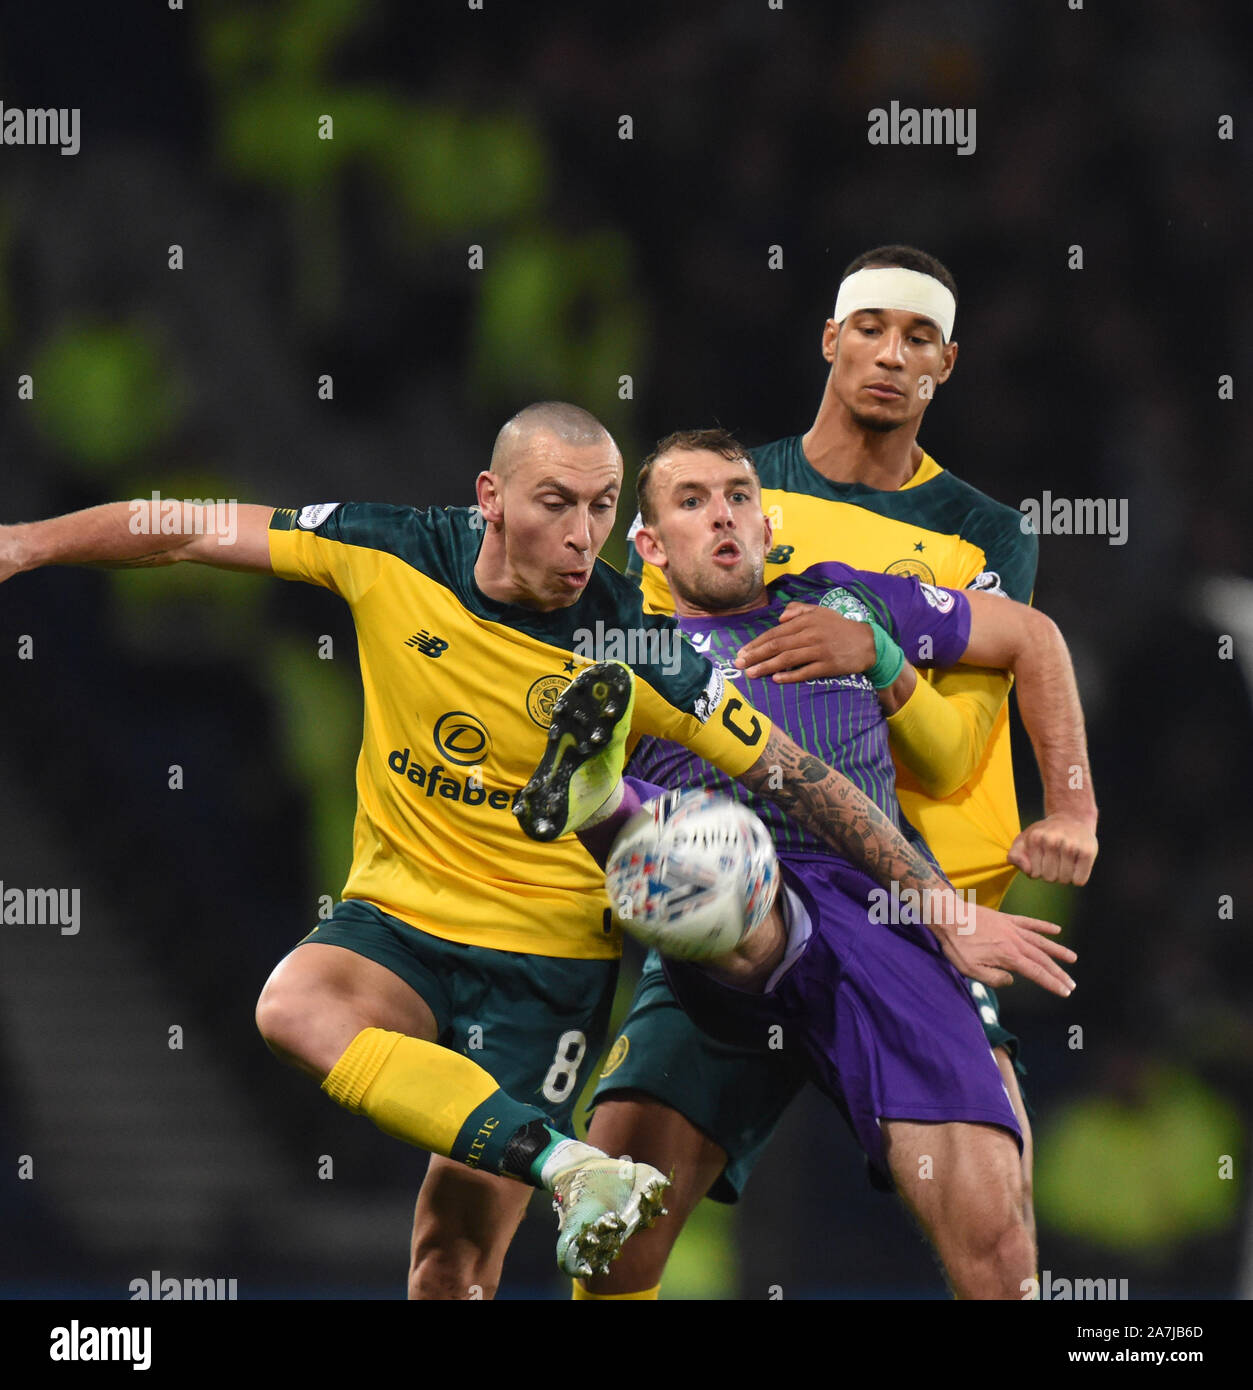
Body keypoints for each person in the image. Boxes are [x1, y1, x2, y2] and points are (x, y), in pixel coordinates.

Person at [0, 400, 1062, 1300]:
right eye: (557, 504)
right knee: (292, 1005)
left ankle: (617, 831)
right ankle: (565, 1160)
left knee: (451, 1265)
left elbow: (797, 775)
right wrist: (31, 541)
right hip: (399, 914)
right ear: (490, 497)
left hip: (546, 970)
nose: (578, 536)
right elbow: (191, 525)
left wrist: (936, 898)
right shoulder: (389, 552)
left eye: (600, 509)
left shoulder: (637, 644)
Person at [579, 246, 1098, 1298]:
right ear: (829, 338)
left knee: (999, 1245)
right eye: (869, 327)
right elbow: (632, 680)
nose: (889, 356)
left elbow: (955, 747)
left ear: (945, 364)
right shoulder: (727, 483)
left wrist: (887, 662)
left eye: (917, 339)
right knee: (614, 1240)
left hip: (900, 898)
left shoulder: (971, 533)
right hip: (727, 868)